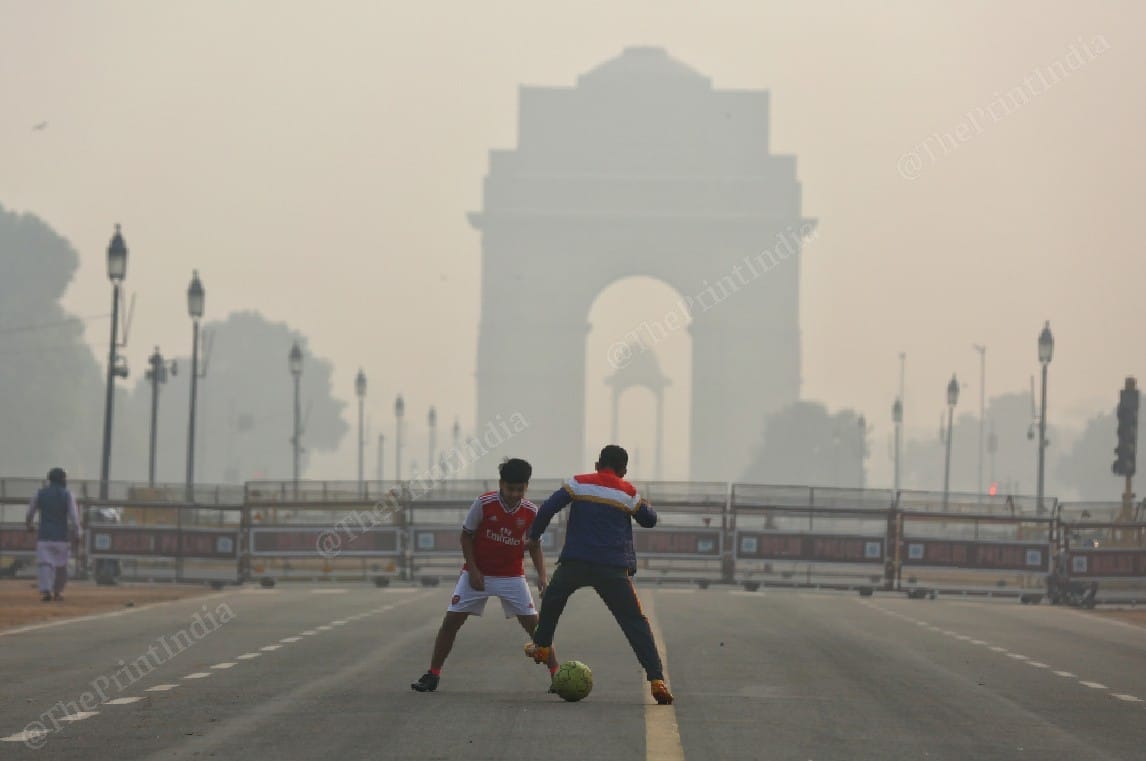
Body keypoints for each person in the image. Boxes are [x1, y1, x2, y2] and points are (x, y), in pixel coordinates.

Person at [525, 445, 674, 705]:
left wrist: (534, 536)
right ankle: (656, 679)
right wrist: (642, 502)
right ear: (624, 470)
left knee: (553, 598)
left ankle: (542, 645)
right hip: (613, 568)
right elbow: (649, 519)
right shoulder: (627, 492)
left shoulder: (579, 483)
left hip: (576, 562)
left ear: (597, 464)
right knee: (634, 622)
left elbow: (548, 508)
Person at [411, 458, 558, 692]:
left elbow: (534, 545)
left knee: (536, 628)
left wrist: (542, 576)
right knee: (451, 622)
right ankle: (433, 674)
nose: (514, 494)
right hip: (477, 574)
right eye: (510, 489)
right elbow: (466, 536)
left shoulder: (531, 511)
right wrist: (474, 570)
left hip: (511, 576)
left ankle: (557, 675)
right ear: (501, 484)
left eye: (520, 489)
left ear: (526, 488)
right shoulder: (483, 503)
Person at [25, 467, 83, 602]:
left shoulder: (40, 493)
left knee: (45, 564)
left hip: (44, 536)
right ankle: (58, 592)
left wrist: (29, 525)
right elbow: (74, 517)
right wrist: (77, 532)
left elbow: (30, 513)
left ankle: (46, 591)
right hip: (62, 537)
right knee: (61, 566)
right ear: (62, 479)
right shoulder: (67, 494)